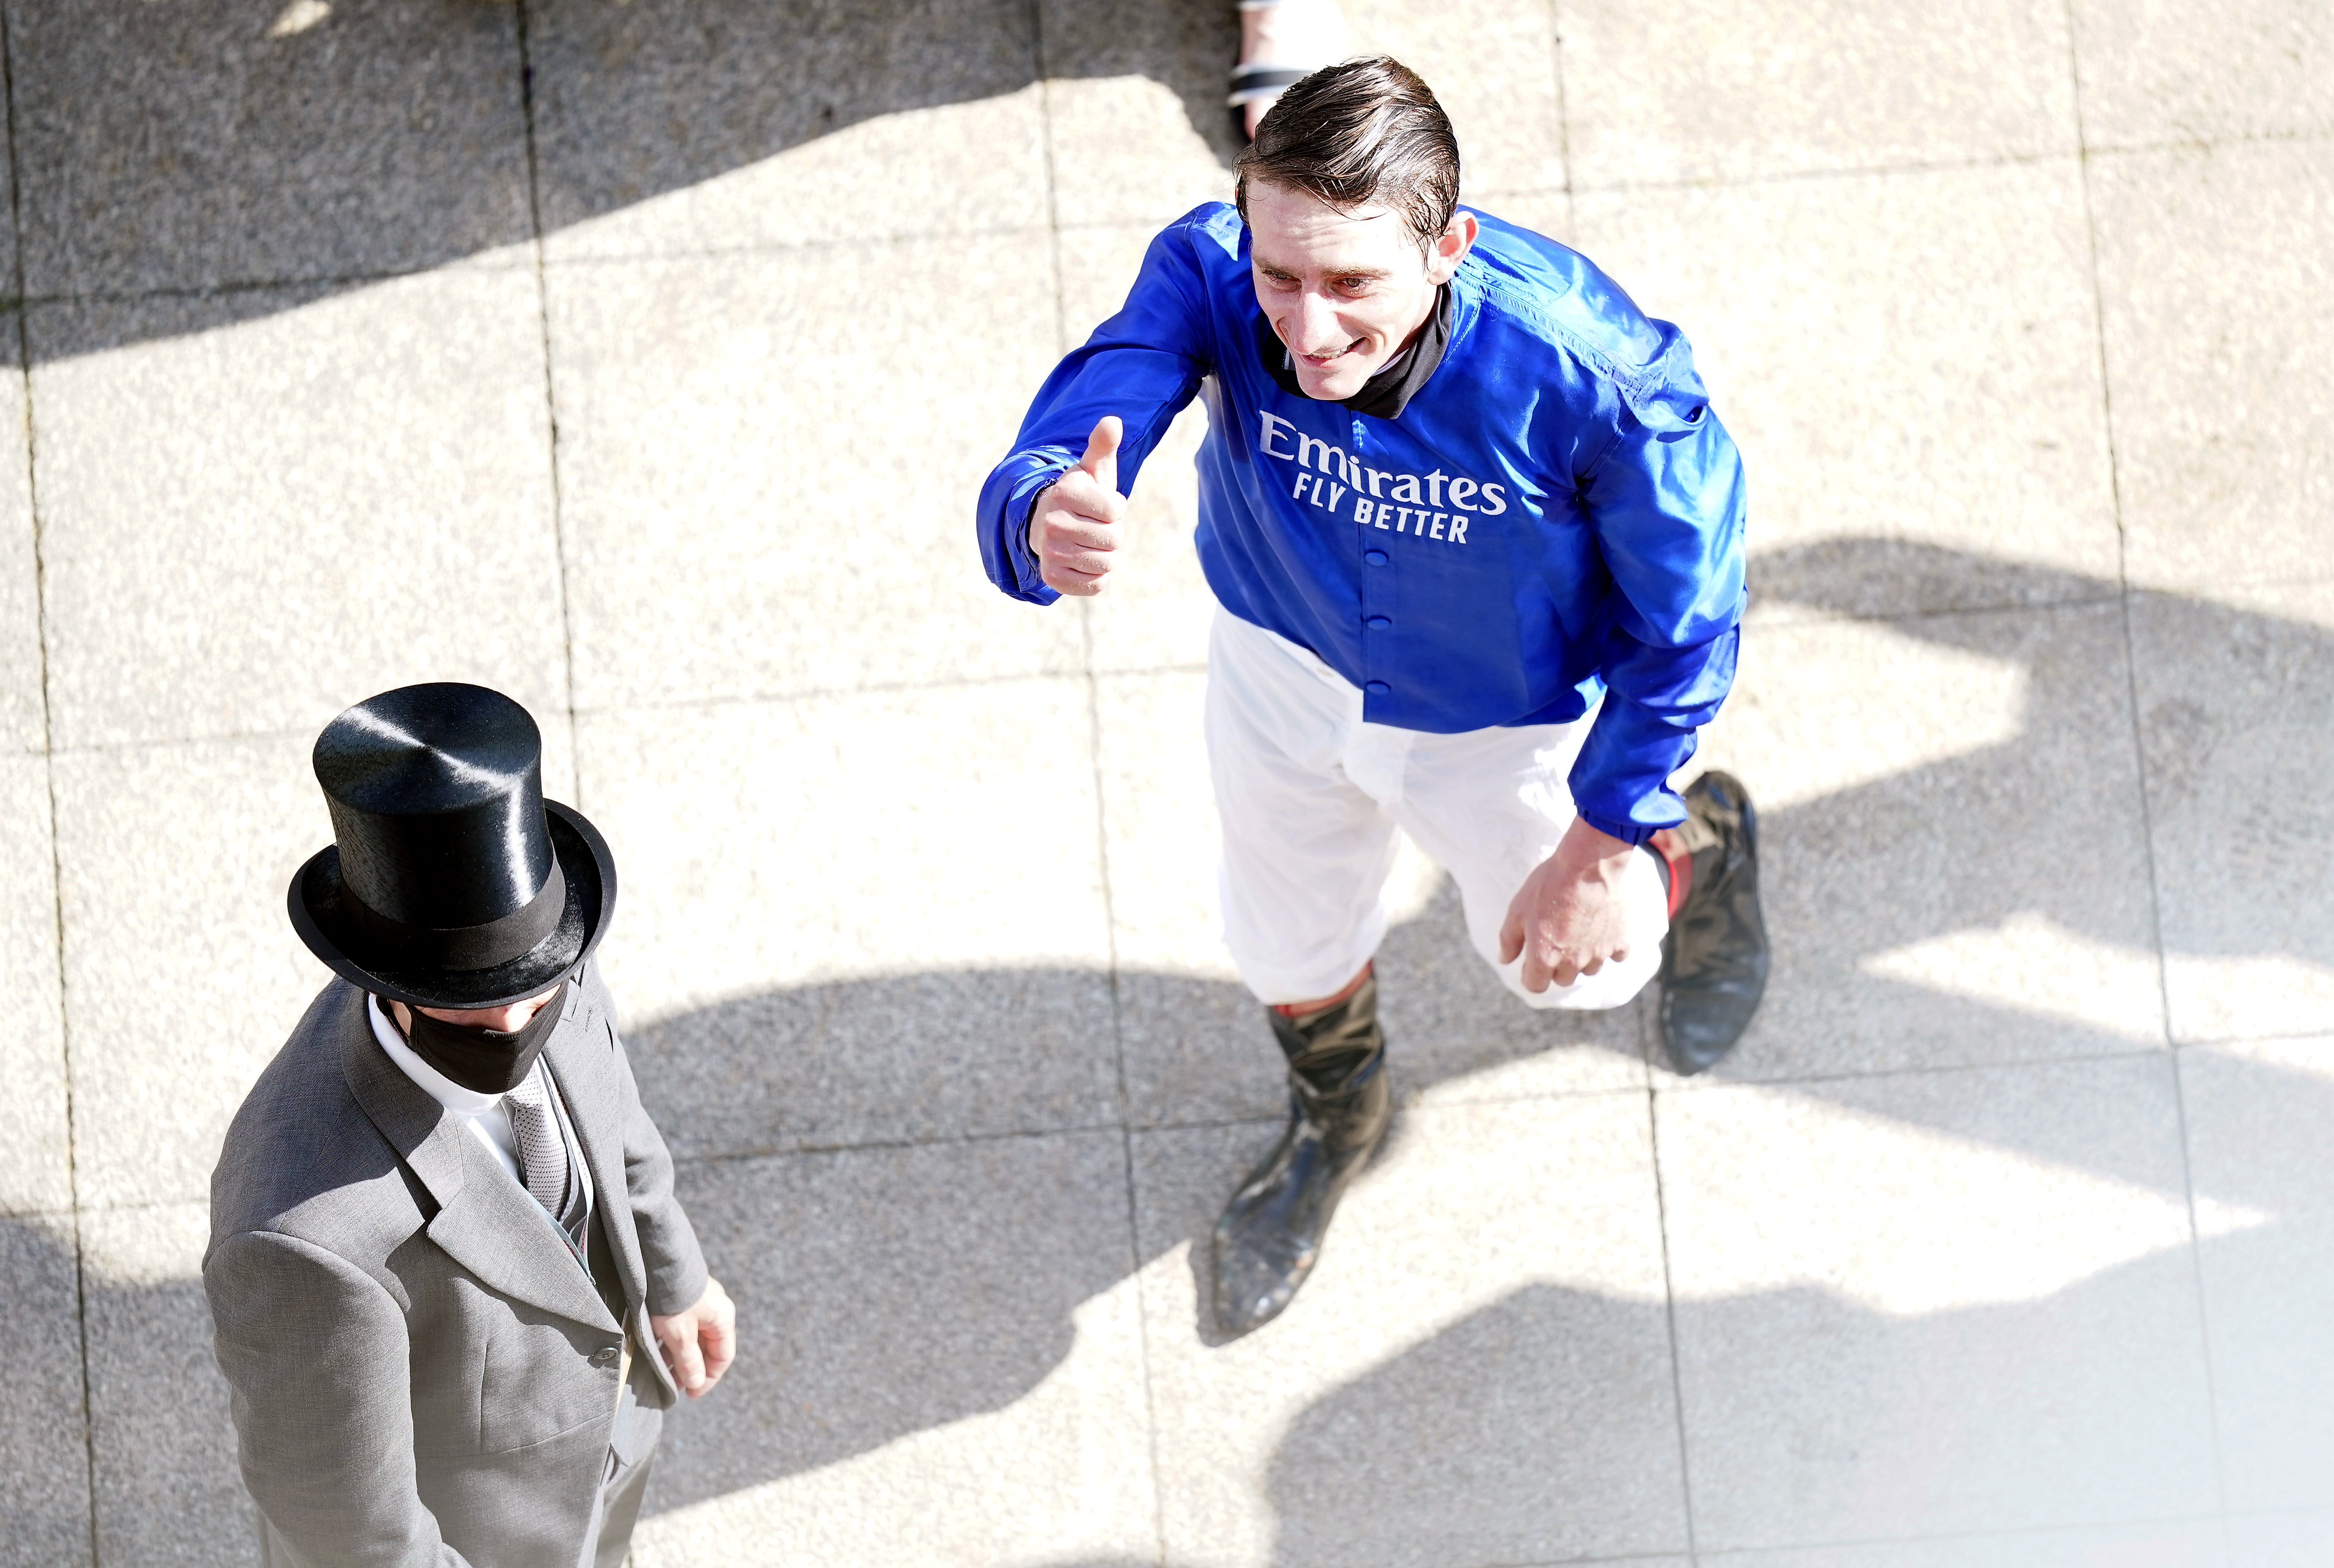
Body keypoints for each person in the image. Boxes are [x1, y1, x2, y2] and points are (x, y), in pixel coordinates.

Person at [976, 59, 1768, 1335]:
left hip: (1500, 719)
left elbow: (1689, 623)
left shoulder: (1602, 376)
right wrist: (1039, 506)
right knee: (1280, 935)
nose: (1305, 328)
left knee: (1582, 975)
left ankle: (1707, 842)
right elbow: (1081, 420)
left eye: (1352, 284)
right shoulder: (1207, 267)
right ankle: (1336, 1120)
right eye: (1278, 275)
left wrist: (1610, 822)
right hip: (1277, 663)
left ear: (1446, 244)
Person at [205, 682, 736, 1567]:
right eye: (473, 1009)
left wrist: (675, 1279)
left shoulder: (540, 953)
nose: (515, 1022)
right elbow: (349, 1527)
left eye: (537, 993)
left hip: (594, 1482)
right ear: (391, 982)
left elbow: (617, 1117)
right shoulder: (299, 1242)